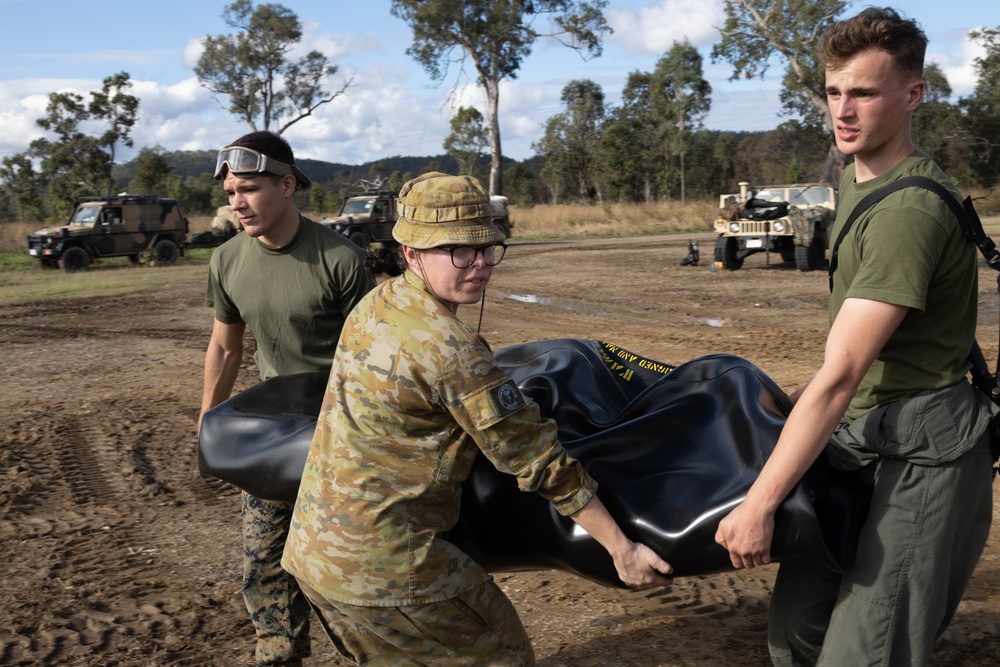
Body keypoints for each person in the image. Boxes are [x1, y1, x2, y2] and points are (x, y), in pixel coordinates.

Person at [281, 172, 673, 666]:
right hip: (387, 569)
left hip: (315, 556)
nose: (481, 264)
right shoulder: (450, 349)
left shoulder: (375, 306)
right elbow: (537, 460)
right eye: (459, 251)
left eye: (488, 248)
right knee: (503, 653)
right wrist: (622, 549)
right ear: (412, 254)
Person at [714, 7, 996, 666]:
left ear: (912, 94)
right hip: (861, 441)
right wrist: (797, 395)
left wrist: (761, 502)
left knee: (865, 655)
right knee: (796, 636)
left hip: (921, 458)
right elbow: (851, 364)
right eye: (835, 91)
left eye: (864, 92)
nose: (844, 110)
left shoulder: (907, 211)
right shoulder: (855, 179)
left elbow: (841, 374)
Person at [199, 130, 375, 666]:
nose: (237, 202)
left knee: (344, 569)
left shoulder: (341, 260)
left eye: (249, 189)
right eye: (231, 193)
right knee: (264, 561)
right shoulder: (227, 261)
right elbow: (226, 349)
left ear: (288, 185)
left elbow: (372, 360)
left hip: (344, 435)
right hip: (276, 439)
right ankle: (279, 656)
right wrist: (208, 420)